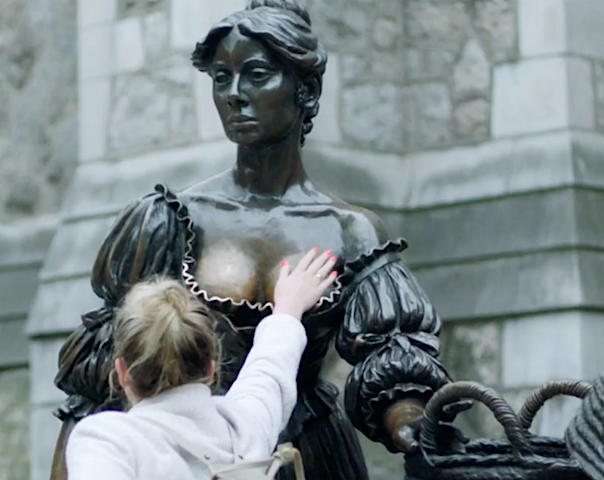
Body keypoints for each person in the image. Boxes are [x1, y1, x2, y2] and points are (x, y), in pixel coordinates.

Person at [51, 1, 452, 479]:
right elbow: (97, 377)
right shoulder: (171, 219)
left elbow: (394, 360)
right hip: (187, 452)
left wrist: (409, 424)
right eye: (222, 78)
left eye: (256, 75)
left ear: (306, 91)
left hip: (311, 457)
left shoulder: (349, 231)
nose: (234, 95)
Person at [65, 250, 337, 480]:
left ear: (122, 372)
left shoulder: (108, 441)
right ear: (211, 368)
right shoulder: (245, 428)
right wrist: (288, 308)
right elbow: (270, 369)